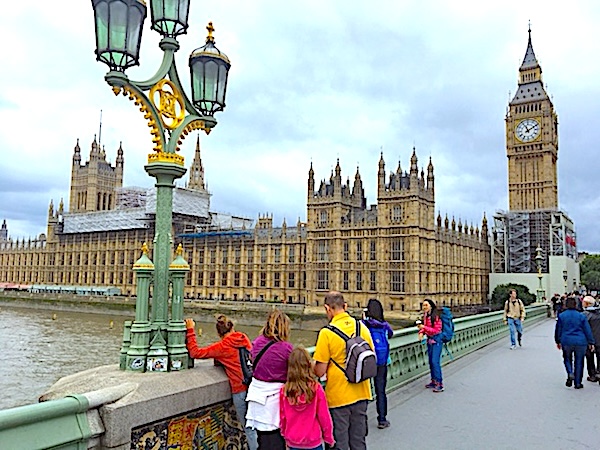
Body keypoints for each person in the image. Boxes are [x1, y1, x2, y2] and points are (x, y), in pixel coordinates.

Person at [185, 315, 258, 450]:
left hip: (240, 390)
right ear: (232, 327)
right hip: (254, 387)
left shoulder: (223, 346)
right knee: (259, 427)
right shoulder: (243, 338)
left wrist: (190, 330)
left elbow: (195, 352)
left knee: (249, 429)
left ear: (219, 333)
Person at [313, 291, 374, 450]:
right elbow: (371, 356)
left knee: (339, 443)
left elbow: (320, 371)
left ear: (327, 309)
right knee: (358, 441)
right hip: (362, 392)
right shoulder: (362, 327)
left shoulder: (326, 333)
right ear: (345, 306)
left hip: (338, 396)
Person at [246, 309, 294, 450]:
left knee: (263, 440)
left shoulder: (257, 342)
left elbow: (251, 359)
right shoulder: (286, 348)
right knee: (276, 442)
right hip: (274, 402)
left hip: (256, 398)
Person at [279, 346, 335, 450]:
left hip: (293, 440)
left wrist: (284, 435)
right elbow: (324, 417)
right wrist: (329, 438)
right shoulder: (316, 389)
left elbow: (283, 417)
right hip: (313, 440)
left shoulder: (285, 391)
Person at [361, 298, 394, 429]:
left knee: (363, 391)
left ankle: (361, 419)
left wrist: (363, 319)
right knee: (381, 391)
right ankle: (382, 419)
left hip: (367, 361)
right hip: (381, 362)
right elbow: (390, 334)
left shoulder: (364, 324)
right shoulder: (384, 325)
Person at [554, 296, 595, 389]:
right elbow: (587, 330)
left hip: (566, 340)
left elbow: (558, 330)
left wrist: (558, 341)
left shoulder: (561, 316)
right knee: (579, 361)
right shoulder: (581, 316)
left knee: (567, 359)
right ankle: (577, 383)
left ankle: (570, 372)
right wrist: (591, 342)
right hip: (580, 341)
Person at [417, 298, 444, 393]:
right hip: (430, 340)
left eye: (426, 305)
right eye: (423, 305)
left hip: (437, 341)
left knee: (435, 362)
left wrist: (424, 327)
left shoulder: (436, 316)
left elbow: (436, 330)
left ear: (431, 306)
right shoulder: (426, 315)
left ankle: (439, 384)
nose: (424, 307)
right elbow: (426, 328)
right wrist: (421, 332)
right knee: (431, 362)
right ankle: (433, 381)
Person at [582, 296, 600, 383]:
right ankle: (599, 372)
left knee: (590, 358)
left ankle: (592, 375)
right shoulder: (598, 313)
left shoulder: (585, 315)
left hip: (589, 339)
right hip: (599, 338)